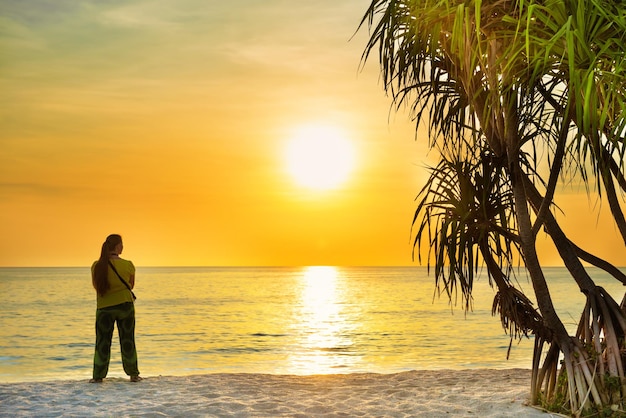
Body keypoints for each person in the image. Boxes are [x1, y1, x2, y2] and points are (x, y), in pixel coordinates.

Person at [89, 234, 141, 383]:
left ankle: (98, 376)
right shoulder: (128, 265)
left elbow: (96, 286)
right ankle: (133, 374)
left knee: (102, 342)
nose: (123, 247)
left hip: (104, 308)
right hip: (125, 305)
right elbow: (130, 285)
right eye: (122, 244)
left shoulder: (96, 266)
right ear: (117, 246)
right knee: (127, 340)